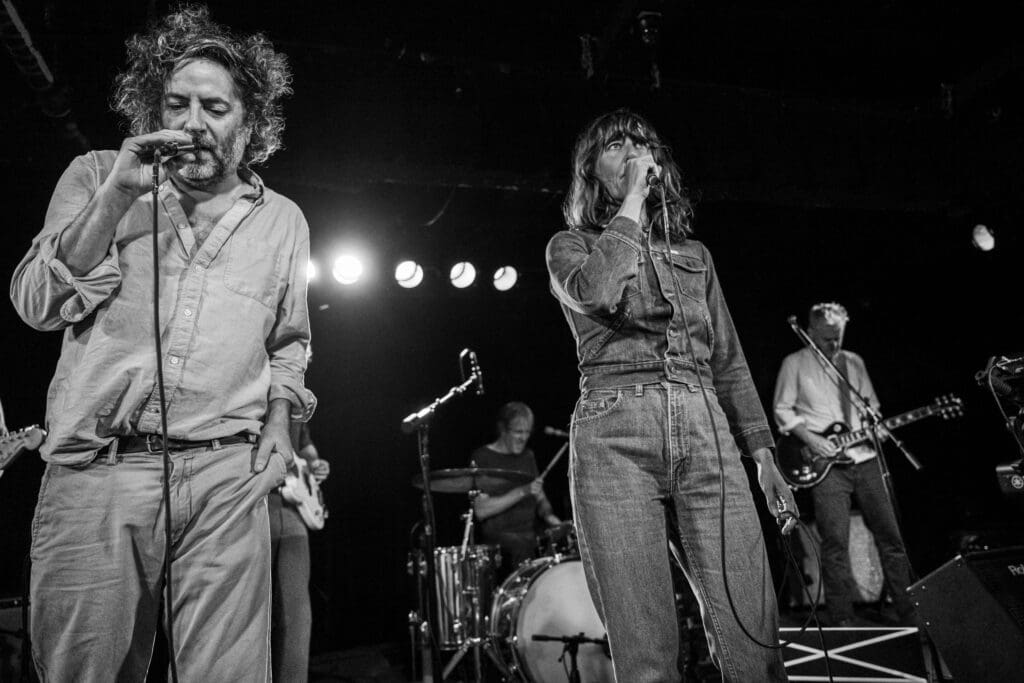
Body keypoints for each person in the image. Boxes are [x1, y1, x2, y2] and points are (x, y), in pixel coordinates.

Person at [9, 7, 313, 680]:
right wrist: (118, 195)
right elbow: (36, 304)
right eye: (177, 104)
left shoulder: (284, 221)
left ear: (251, 122)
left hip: (225, 475)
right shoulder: (95, 175)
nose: (193, 123)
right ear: (153, 108)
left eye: (215, 107)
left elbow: (289, 342)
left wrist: (279, 420)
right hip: (99, 473)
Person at [545, 109, 796, 682]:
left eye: (643, 144)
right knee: (646, 656)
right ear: (591, 171)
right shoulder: (569, 246)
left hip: (707, 429)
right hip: (616, 436)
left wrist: (763, 457)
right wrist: (633, 202)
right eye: (616, 146)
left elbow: (728, 360)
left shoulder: (696, 255)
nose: (634, 153)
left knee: (754, 641)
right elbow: (598, 292)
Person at [773, 302, 915, 627]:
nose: (833, 344)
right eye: (826, 338)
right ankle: (842, 618)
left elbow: (871, 406)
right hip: (827, 465)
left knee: (891, 537)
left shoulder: (853, 362)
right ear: (810, 332)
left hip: (865, 459)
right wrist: (812, 440)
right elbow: (782, 410)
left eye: (837, 337)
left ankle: (909, 612)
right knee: (835, 542)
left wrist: (875, 426)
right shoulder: (795, 364)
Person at [269, 346, 329, 683]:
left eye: (308, 353)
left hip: (292, 512)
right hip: (255, 506)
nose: (306, 358)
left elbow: (306, 447)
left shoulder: (299, 398)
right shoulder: (257, 387)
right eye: (302, 351)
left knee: (297, 616)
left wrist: (315, 464)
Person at [471, 402, 561, 571]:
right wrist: (522, 491)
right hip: (501, 542)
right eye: (518, 432)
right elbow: (481, 510)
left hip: (530, 535)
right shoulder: (483, 457)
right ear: (503, 430)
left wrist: (551, 518)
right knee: (521, 545)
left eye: (527, 432)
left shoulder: (528, 456)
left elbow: (540, 497)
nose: (523, 438)